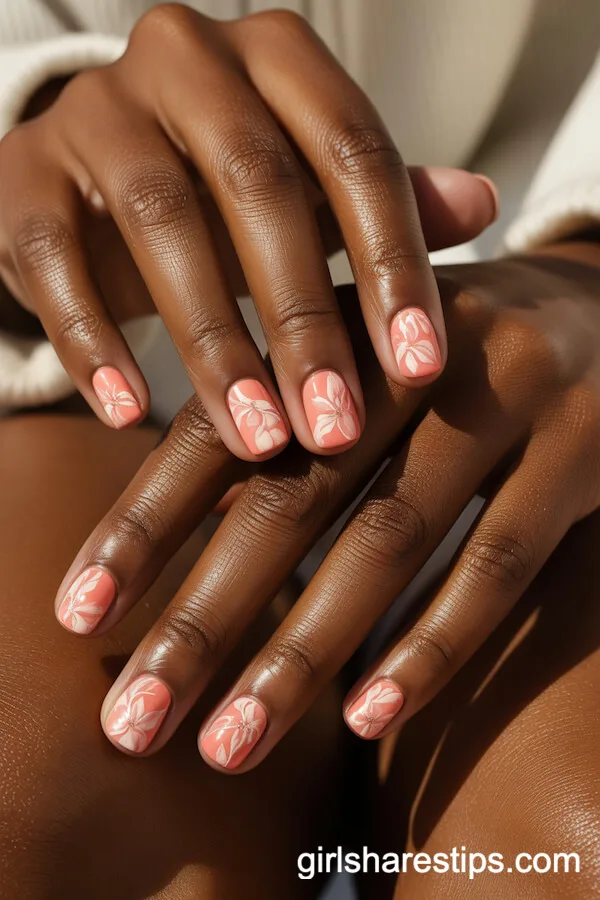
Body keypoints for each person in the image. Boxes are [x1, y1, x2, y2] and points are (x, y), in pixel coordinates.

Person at [1, 2, 600, 897]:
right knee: (39, 793)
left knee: (567, 840)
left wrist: (588, 262)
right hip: (82, 387)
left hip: (567, 364)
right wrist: (29, 146)